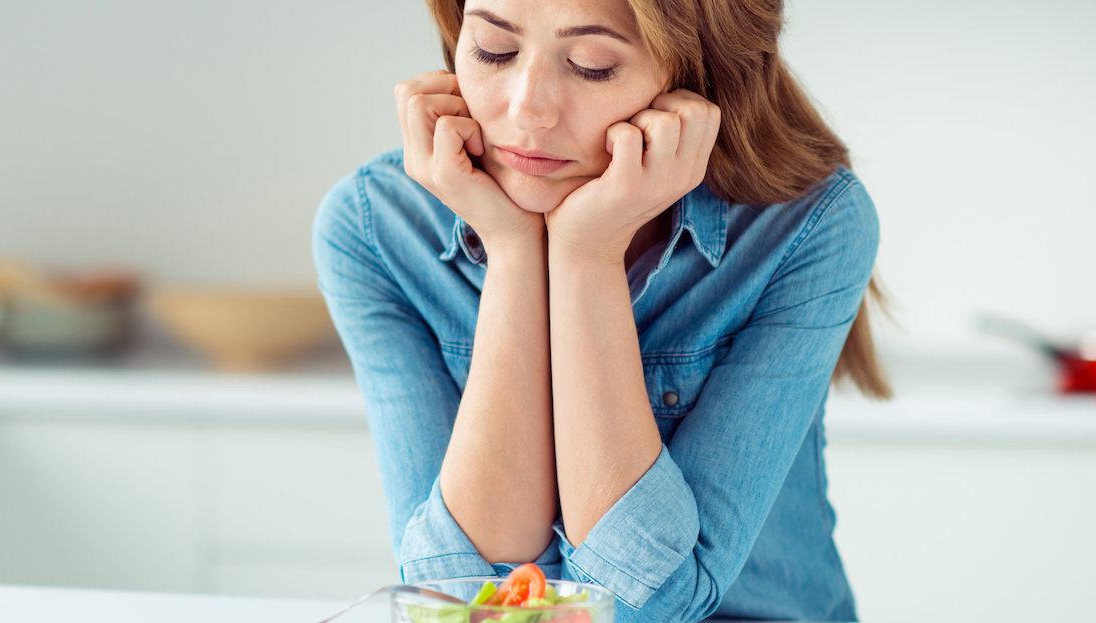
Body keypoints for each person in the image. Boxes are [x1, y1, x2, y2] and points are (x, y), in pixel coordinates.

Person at [312, 0, 890, 621]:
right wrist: (512, 253)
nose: (527, 110)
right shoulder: (374, 228)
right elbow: (463, 603)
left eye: (591, 65)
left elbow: (654, 605)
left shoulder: (808, 228)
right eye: (494, 51)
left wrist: (587, 256)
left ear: (690, 80)